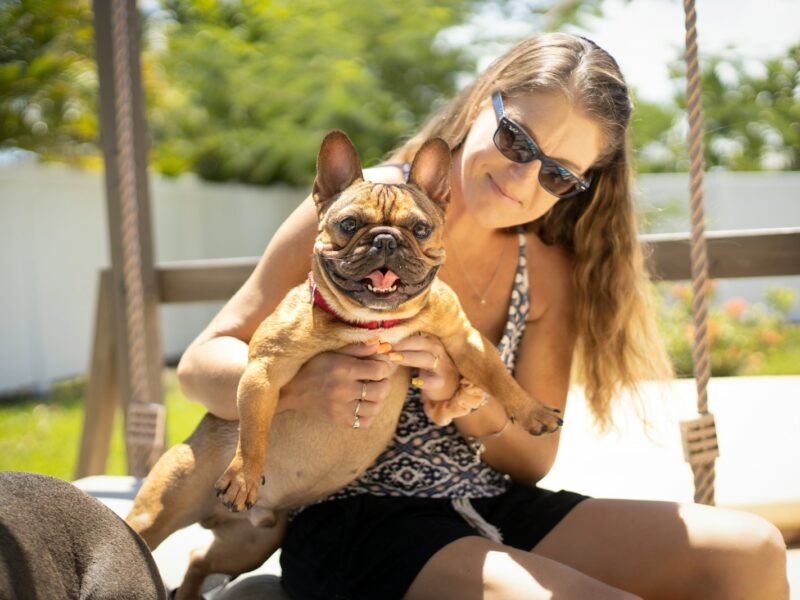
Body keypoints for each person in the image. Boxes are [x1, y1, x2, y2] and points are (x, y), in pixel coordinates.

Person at [176, 32, 789, 599]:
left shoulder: (544, 269)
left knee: (753, 550)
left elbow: (532, 459)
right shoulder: (359, 212)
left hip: (489, 501)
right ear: (481, 106)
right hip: (356, 517)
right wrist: (301, 386)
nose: (523, 177)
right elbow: (202, 363)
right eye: (516, 140)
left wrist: (465, 394)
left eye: (558, 174)